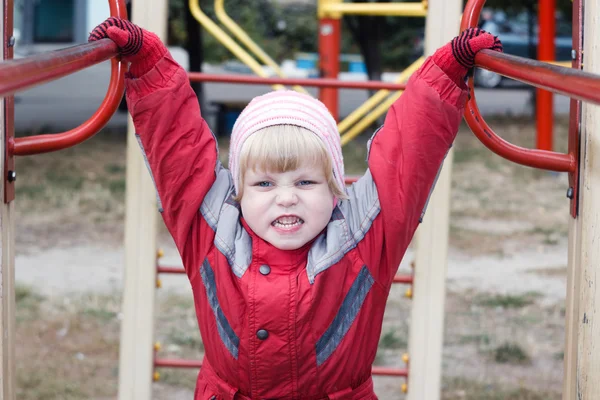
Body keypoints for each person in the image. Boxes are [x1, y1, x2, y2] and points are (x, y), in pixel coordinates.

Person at [89, 18, 502, 400]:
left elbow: (408, 155)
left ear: (335, 186)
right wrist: (148, 63)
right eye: (264, 183)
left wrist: (447, 73)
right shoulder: (211, 230)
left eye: (305, 182)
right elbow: (178, 150)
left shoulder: (363, 238)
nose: (286, 197)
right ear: (238, 191)